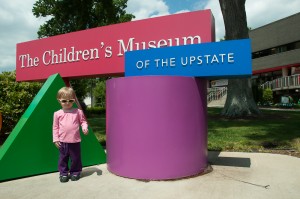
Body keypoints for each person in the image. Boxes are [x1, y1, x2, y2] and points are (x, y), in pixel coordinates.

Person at [53, 87, 88, 183]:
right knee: (62, 159)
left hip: (75, 141)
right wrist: (56, 139)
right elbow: (55, 127)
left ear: (74, 100)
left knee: (76, 158)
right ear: (59, 100)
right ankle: (63, 173)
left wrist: (85, 127)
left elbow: (83, 122)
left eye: (70, 100)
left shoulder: (78, 112)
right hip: (62, 141)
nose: (67, 103)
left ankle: (75, 172)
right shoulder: (57, 114)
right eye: (64, 101)